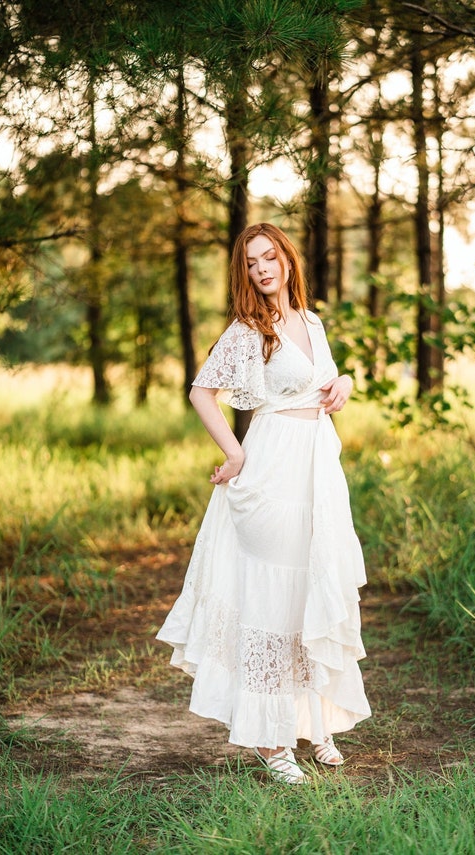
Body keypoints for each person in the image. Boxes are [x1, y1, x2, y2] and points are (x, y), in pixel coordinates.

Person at [156, 223, 371, 784]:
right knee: (274, 599)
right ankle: (273, 741)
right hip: (273, 468)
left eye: (268, 257)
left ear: (286, 259)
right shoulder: (250, 329)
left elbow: (324, 383)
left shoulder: (311, 321)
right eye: (250, 263)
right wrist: (235, 454)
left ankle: (313, 722)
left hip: (317, 469)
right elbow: (202, 391)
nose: (261, 269)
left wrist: (343, 381)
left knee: (308, 589)